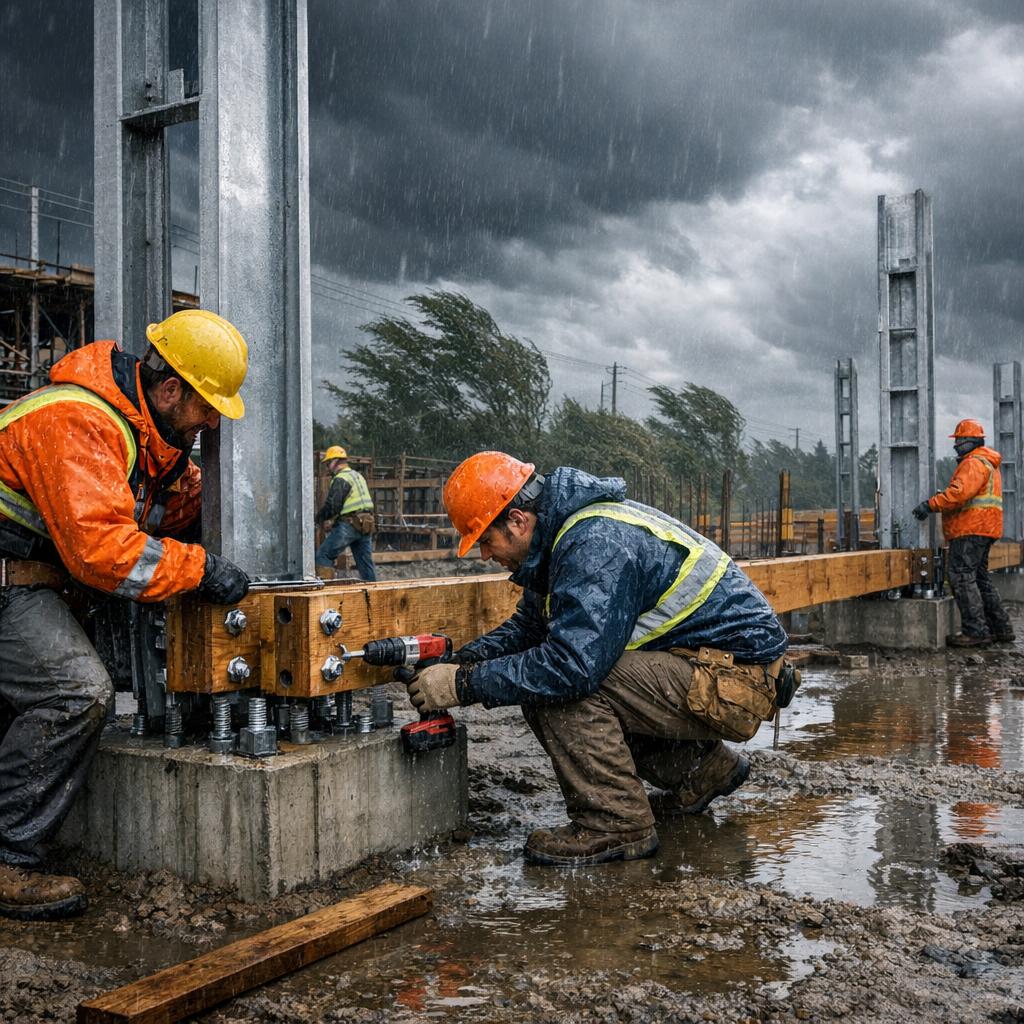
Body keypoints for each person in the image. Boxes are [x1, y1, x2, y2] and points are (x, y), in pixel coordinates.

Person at [407, 451, 790, 867]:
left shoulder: (595, 543)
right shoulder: (562, 535)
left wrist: (461, 686)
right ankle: (701, 773)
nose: (485, 555)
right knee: (566, 668)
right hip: (717, 669)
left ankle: (614, 824)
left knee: (558, 686)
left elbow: (570, 668)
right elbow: (530, 628)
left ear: (517, 520)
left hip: (738, 684)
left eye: (485, 541)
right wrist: (464, 662)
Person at [0, 308, 251, 921]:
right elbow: (100, 550)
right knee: (76, 693)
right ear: (169, 390)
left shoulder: (141, 433)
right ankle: (10, 858)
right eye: (205, 406)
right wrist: (199, 570)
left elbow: (168, 497)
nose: (211, 422)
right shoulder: (76, 419)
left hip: (34, 581)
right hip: (11, 581)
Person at [913, 418, 1014, 647]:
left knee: (960, 576)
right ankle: (1001, 628)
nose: (956, 445)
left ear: (971, 441)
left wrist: (930, 505)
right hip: (985, 528)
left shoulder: (973, 463)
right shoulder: (987, 463)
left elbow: (958, 494)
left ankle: (976, 631)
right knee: (979, 578)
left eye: (959, 440)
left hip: (969, 528)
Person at [314, 446, 377, 581]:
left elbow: (333, 507)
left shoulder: (341, 478)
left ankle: (326, 593)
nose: (327, 467)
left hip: (350, 524)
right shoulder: (357, 476)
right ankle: (374, 594)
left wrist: (319, 517)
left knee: (323, 556)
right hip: (366, 524)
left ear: (336, 461)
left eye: (328, 463)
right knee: (365, 563)